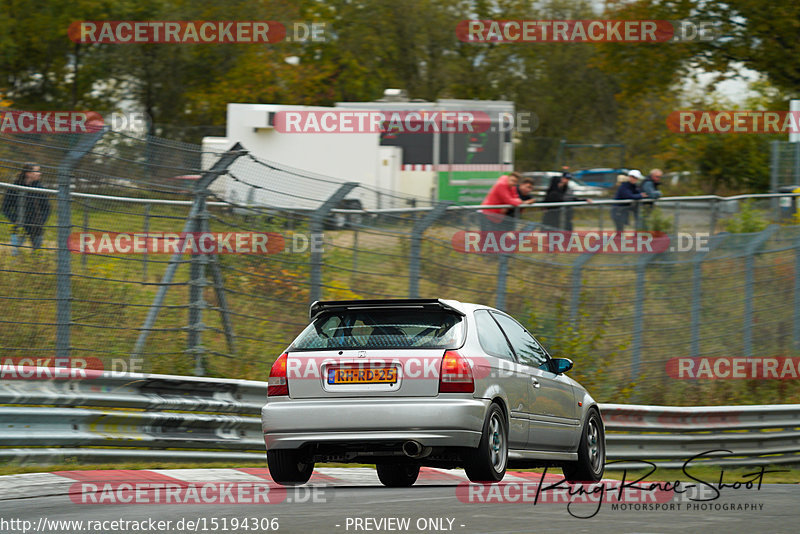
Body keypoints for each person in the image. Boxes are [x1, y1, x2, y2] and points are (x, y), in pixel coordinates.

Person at [2, 163, 51, 255]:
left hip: (35, 225)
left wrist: (41, 222)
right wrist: (14, 219)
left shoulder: (40, 188)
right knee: (15, 253)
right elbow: (5, 208)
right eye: (36, 171)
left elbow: (47, 208)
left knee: (37, 252)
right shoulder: (14, 188)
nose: (39, 173)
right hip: (19, 224)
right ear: (28, 173)